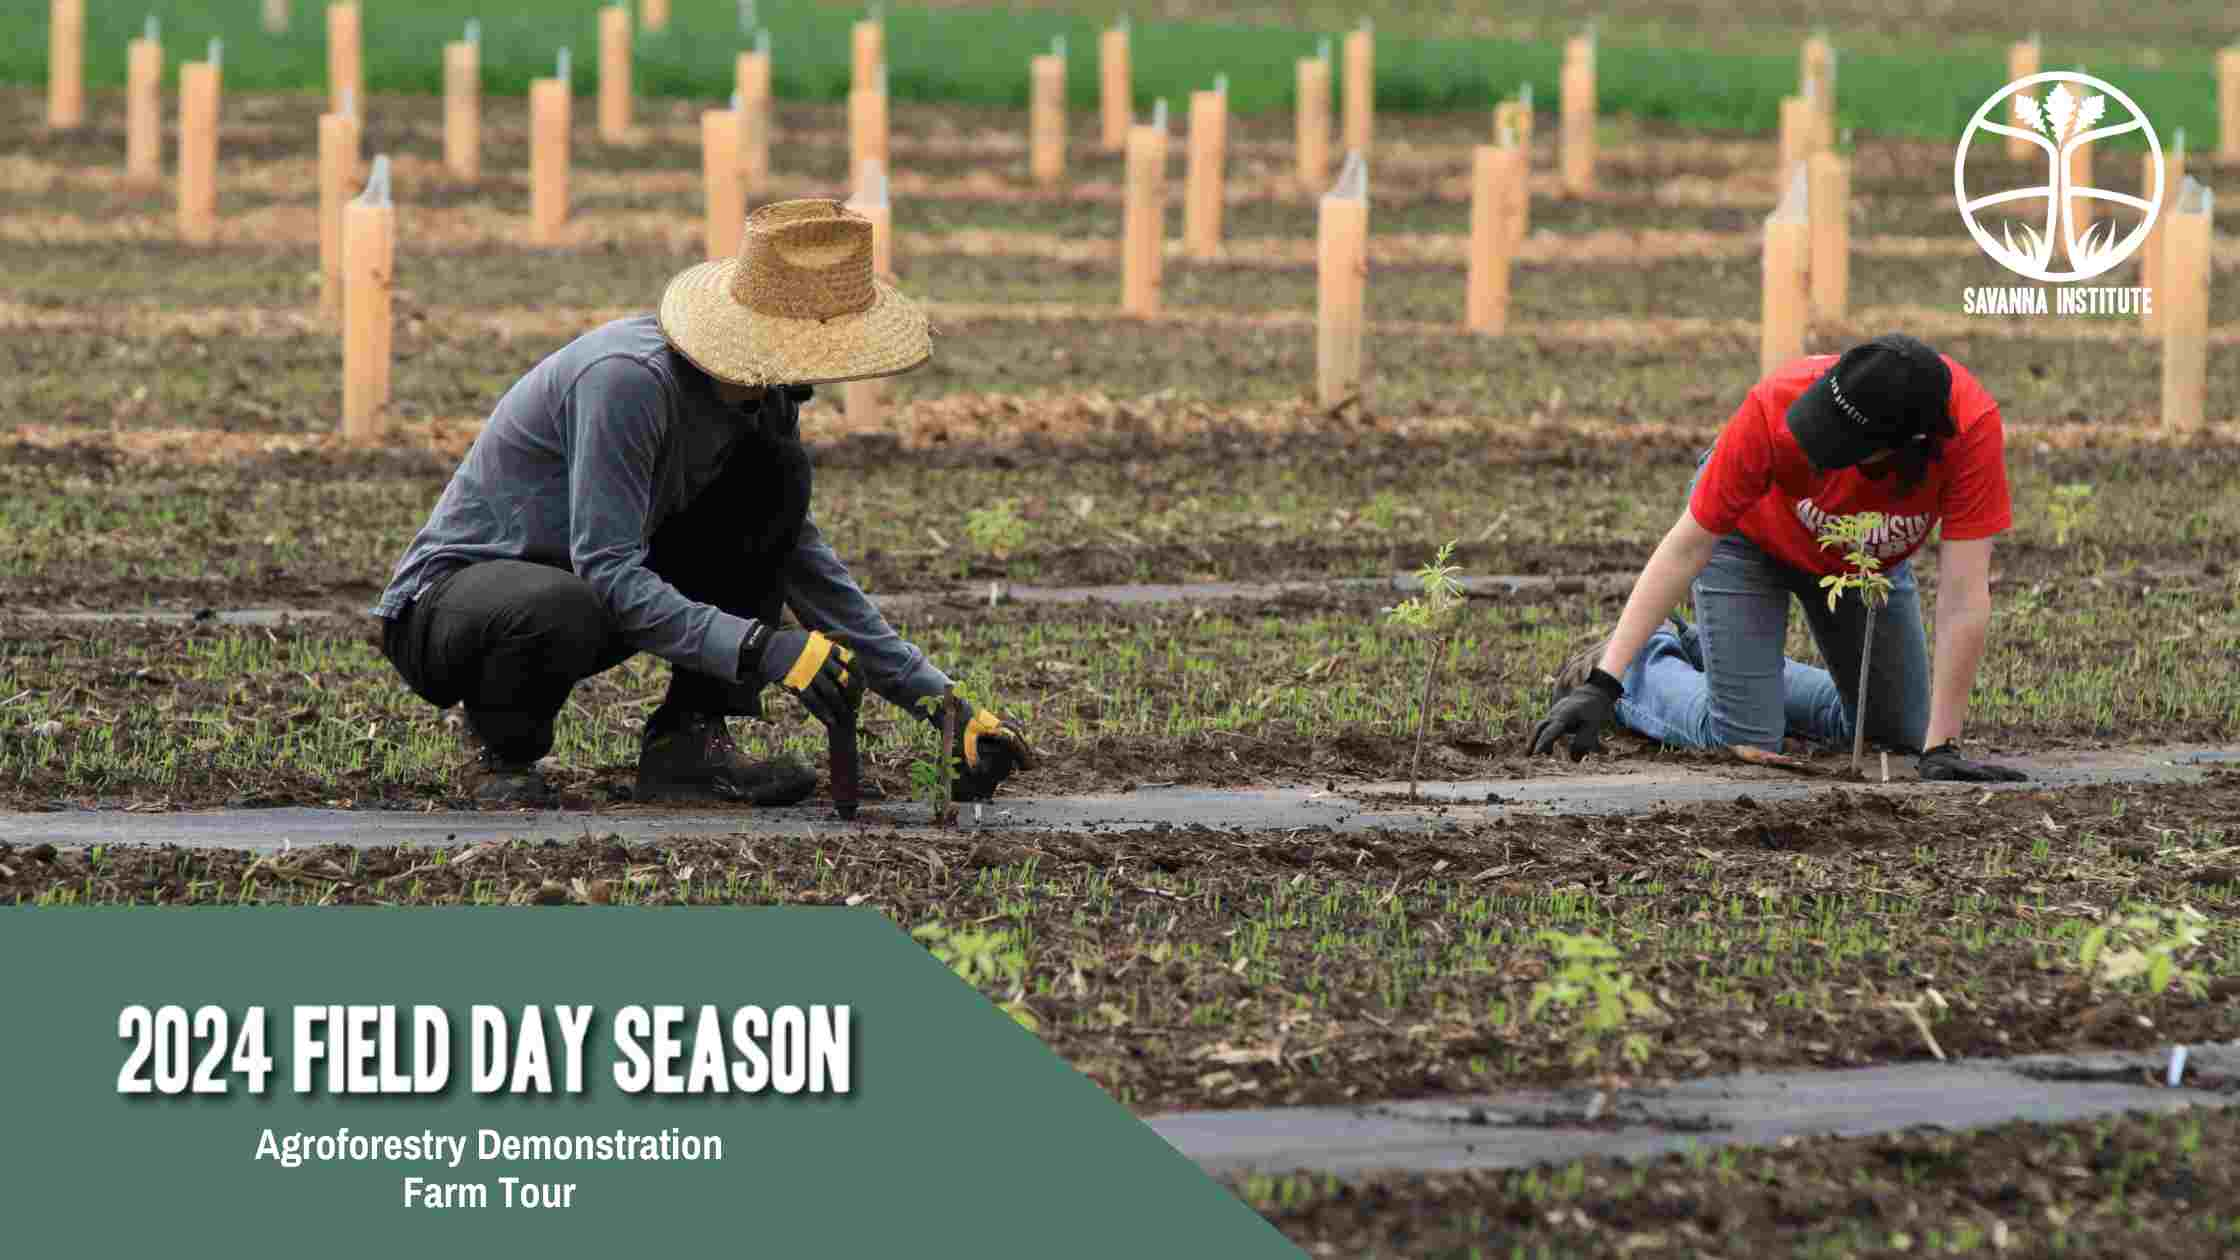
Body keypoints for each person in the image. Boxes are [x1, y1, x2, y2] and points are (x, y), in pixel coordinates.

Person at [372, 199, 1033, 807]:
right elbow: (606, 568)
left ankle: (686, 744)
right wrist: (758, 648)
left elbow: (798, 563)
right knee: (562, 604)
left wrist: (941, 706)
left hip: (585, 587)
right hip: (452, 610)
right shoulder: (628, 382)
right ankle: (500, 756)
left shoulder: (763, 398)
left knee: (774, 482)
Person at [1529, 333, 2028, 782]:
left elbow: (1963, 595)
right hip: (1747, 543)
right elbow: (1688, 545)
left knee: (1901, 731)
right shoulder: (1776, 402)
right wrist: (1604, 683)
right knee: (1744, 738)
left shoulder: (1969, 430)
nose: (1815, 448)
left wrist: (1941, 747)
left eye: (1841, 446)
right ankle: (1643, 664)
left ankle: (1720, 655)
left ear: (1904, 446)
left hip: (1859, 561)